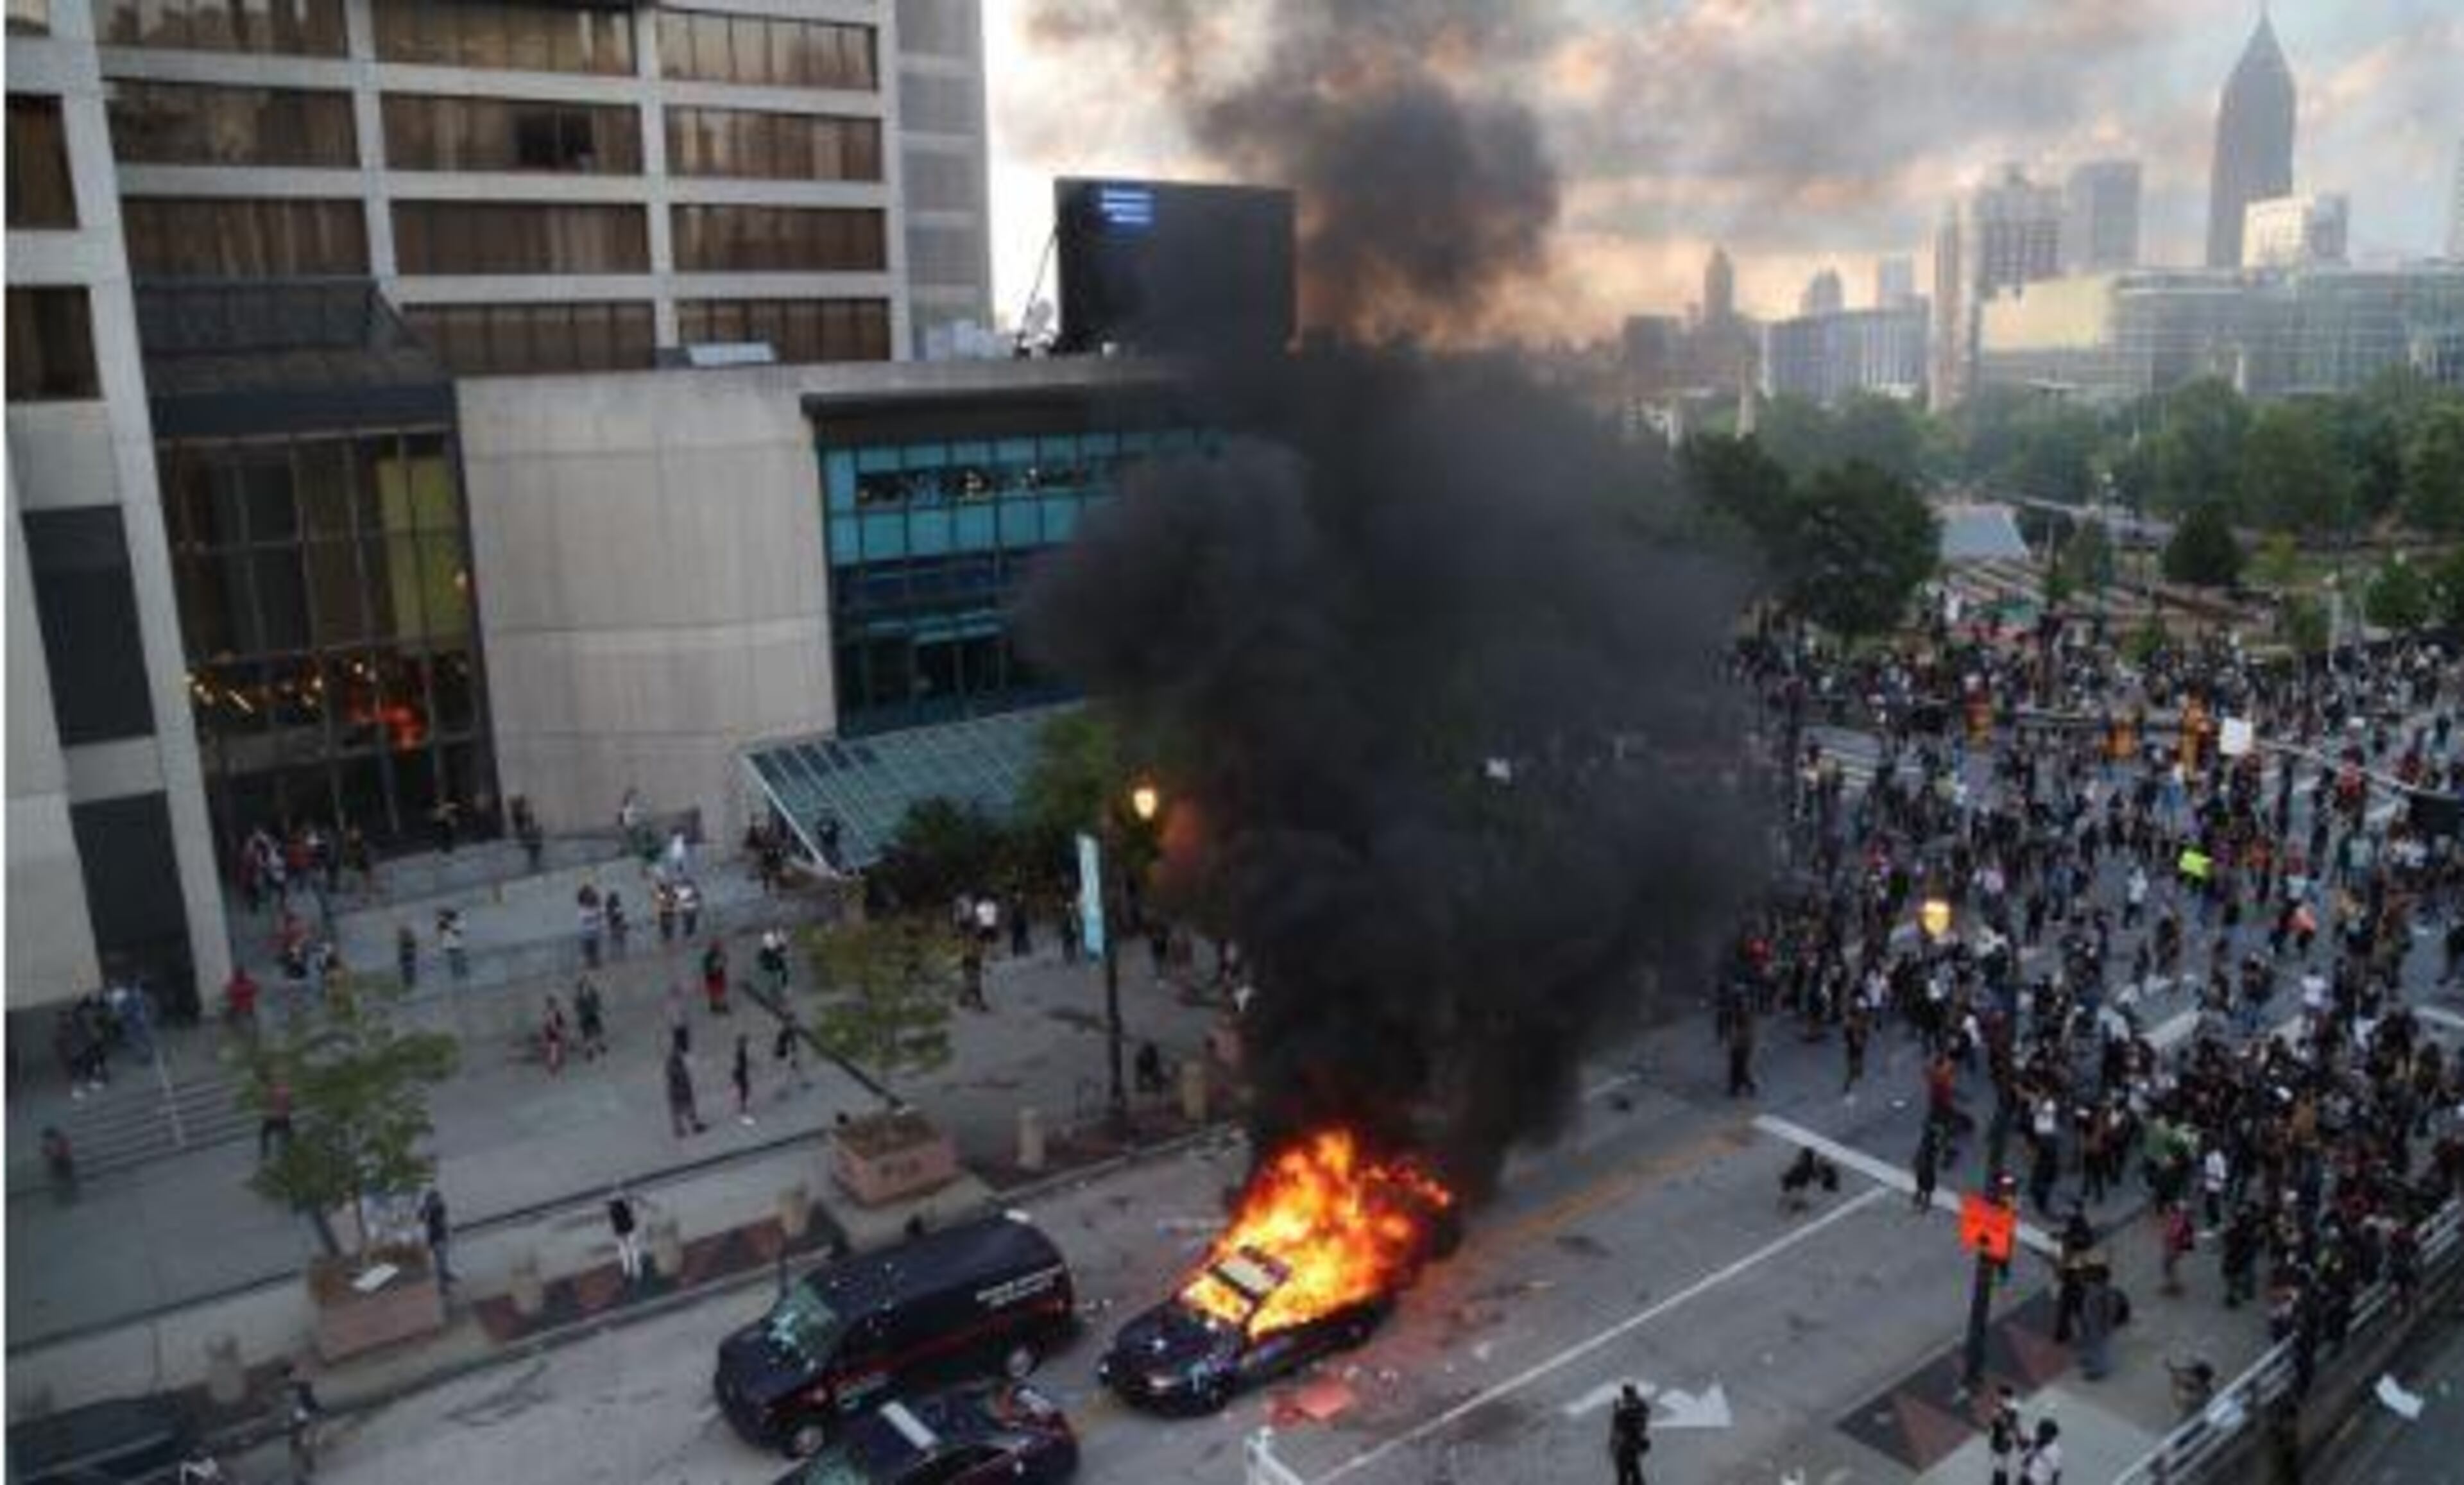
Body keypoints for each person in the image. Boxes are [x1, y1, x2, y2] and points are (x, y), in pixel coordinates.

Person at [282, 1362, 324, 1482]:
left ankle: (304, 1468)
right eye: (295, 1372)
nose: (297, 1374)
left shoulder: (294, 1388)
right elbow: (307, 1403)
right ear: (292, 1374)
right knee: (302, 1445)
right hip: (303, 1420)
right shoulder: (301, 1386)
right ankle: (302, 1472)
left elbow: (308, 1401)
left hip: (298, 1420)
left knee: (300, 1447)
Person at [1609, 1381, 1650, 1485]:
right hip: (1624, 1448)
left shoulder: (1627, 1409)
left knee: (1632, 1477)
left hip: (1626, 1448)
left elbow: (1644, 1412)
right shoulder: (1625, 1411)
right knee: (1629, 1477)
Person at [608, 1186, 644, 1283]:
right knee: (629, 1248)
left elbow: (628, 1253)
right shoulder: (630, 1266)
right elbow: (630, 1253)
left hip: (625, 1231)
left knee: (628, 1248)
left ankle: (617, 1203)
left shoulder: (629, 1267)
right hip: (626, 1230)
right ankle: (618, 1203)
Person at [665, 1046, 704, 1137]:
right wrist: (686, 1087)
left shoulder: (673, 1066)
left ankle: (681, 1129)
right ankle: (690, 1127)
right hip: (680, 1090)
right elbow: (681, 1078)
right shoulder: (676, 1067)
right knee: (686, 1107)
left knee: (679, 1110)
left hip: (676, 1091)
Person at [1987, 1386, 2022, 1485]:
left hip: (2004, 1439)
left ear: (2005, 1396)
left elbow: (2010, 1424)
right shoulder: (2001, 1405)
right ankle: (1997, 1480)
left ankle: (2000, 1482)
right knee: (1998, 1464)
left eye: (1999, 1395)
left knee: (2001, 1465)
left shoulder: (2012, 1408)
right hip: (1998, 1436)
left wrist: (1999, 1415)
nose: (1997, 1397)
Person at [420, 1187, 454, 1287]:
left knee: (443, 1259)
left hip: (441, 1236)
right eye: (436, 1198)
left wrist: (448, 1232)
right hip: (434, 1238)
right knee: (440, 1260)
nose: (439, 1200)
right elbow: (422, 1221)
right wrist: (427, 1212)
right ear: (431, 1200)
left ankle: (445, 1275)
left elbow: (443, 1221)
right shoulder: (425, 1209)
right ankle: (443, 1282)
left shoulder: (440, 1207)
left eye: (438, 1198)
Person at [259, 1077, 295, 1161]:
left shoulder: (269, 1092)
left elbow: (265, 1104)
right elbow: (291, 1105)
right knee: (287, 1137)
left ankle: (265, 1155)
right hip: (283, 1118)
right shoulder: (286, 1090)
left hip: (272, 1118)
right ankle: (287, 1154)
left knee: (264, 1136)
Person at [2019, 1416, 2062, 1484]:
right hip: (2027, 1479)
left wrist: (2054, 1483)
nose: (2039, 1435)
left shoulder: (2054, 1451)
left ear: (2051, 1436)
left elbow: (2056, 1471)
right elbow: (2025, 1460)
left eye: (2042, 1434)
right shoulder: (2035, 1443)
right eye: (2039, 1433)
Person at [575, 976, 607, 1060]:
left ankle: (599, 1046)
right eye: (585, 985)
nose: (587, 986)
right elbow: (577, 1008)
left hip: (591, 1015)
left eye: (587, 984)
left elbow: (597, 1002)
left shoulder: (591, 993)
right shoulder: (580, 996)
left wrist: (599, 1007)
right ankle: (590, 1051)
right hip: (586, 1016)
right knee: (588, 1035)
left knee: (598, 1031)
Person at [40, 1125, 76, 1202]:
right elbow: (46, 1153)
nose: (47, 1139)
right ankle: (64, 1197)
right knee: (62, 1180)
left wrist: (54, 1154)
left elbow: (65, 1150)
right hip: (58, 1162)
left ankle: (68, 1196)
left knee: (66, 1179)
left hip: (62, 1161)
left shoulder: (61, 1140)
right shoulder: (50, 1143)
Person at [732, 1032, 754, 1126]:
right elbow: (740, 1064)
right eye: (745, 1042)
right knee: (744, 1092)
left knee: (745, 1091)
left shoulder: (741, 1051)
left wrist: (751, 1064)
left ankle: (743, 1109)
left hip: (740, 1074)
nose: (746, 1044)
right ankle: (742, 1111)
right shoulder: (740, 1052)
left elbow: (743, 1063)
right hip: (740, 1075)